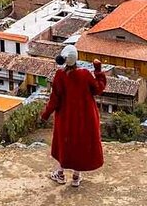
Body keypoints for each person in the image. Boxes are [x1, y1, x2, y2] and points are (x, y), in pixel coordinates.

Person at [41, 45, 107, 187]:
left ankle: (60, 174)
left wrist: (45, 114)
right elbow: (98, 88)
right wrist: (98, 71)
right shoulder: (85, 74)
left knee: (63, 144)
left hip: (66, 117)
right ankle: (76, 177)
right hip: (85, 118)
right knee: (80, 145)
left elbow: (54, 100)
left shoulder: (60, 76)